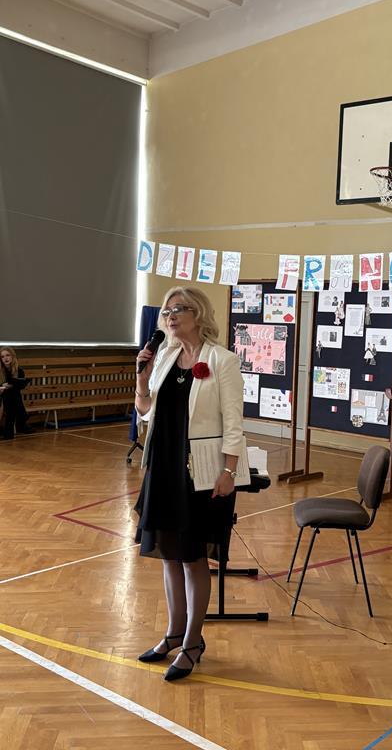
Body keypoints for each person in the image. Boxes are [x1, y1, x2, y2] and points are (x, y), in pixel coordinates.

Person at [134, 285, 244, 682]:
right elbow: (145, 411)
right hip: (163, 468)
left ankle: (193, 641)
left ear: (198, 314)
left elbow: (234, 422)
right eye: (166, 312)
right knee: (169, 554)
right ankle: (173, 633)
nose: (170, 317)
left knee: (193, 557)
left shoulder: (222, 360)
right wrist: (142, 379)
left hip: (200, 473)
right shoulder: (164, 356)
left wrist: (229, 472)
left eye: (178, 309)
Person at [0, 347, 32, 439]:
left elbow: (20, 386)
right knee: (11, 396)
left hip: (9, 397)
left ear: (12, 356)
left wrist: (10, 386)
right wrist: (2, 386)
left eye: (7, 355)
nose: (5, 358)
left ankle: (9, 431)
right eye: (2, 357)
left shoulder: (19, 370)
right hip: (1, 396)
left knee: (12, 395)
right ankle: (21, 422)